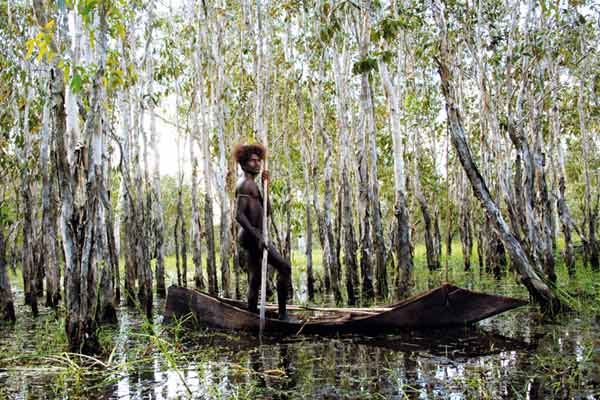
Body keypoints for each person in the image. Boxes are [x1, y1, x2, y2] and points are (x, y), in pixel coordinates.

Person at [234, 143, 292, 321]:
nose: (258, 164)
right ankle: (282, 315)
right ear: (243, 164)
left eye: (259, 160)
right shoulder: (244, 184)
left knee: (256, 278)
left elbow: (268, 211)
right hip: (252, 237)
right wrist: (258, 236)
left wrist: (266, 186)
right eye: (253, 161)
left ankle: (251, 315)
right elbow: (239, 215)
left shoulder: (253, 184)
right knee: (285, 267)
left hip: (255, 235)